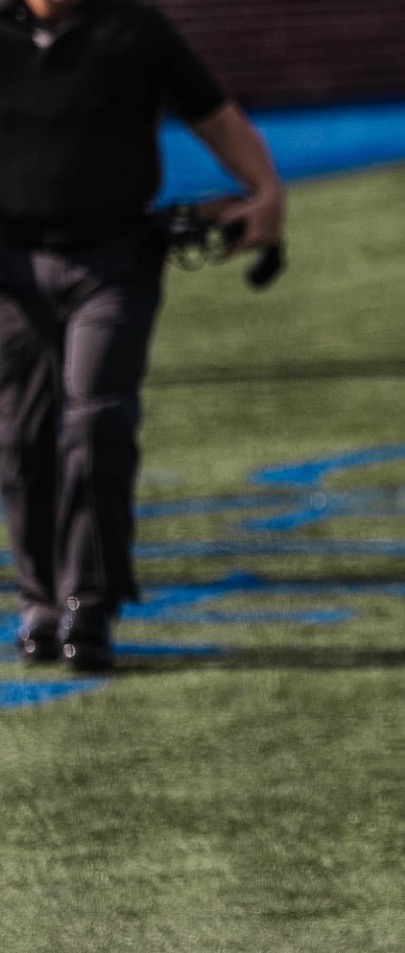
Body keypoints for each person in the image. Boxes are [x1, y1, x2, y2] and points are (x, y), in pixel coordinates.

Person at [0, 0, 284, 669]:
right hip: (11, 271)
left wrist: (266, 190)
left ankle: (89, 604)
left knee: (95, 426)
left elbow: (213, 113)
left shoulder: (135, 27)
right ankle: (38, 599)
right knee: (20, 436)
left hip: (114, 262)